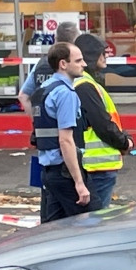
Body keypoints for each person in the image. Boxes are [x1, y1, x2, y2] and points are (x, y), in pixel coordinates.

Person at [31, 42, 98, 222]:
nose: (84, 64)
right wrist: (79, 183)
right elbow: (65, 141)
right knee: (93, 224)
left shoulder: (43, 91)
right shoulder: (66, 93)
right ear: (63, 64)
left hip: (49, 171)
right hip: (64, 172)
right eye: (78, 60)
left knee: (53, 229)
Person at [73, 33, 133, 207]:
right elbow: (103, 124)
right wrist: (124, 142)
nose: (105, 56)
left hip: (95, 165)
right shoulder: (86, 85)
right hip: (98, 165)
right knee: (97, 220)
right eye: (102, 53)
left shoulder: (86, 83)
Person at [18, 22, 81, 113]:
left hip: (44, 123)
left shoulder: (40, 64)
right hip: (68, 122)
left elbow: (22, 96)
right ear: (76, 42)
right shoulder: (76, 65)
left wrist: (35, 119)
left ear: (55, 39)